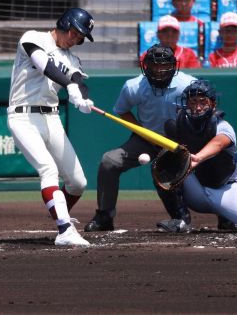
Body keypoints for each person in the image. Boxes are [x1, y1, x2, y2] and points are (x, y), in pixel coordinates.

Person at [84, 43, 196, 232]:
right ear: (146, 66)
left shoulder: (188, 85)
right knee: (109, 161)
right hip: (147, 139)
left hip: (180, 142)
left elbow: (200, 111)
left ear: (173, 65)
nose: (159, 71)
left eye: (164, 65)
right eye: (154, 65)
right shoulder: (134, 86)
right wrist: (143, 132)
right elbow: (122, 111)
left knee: (213, 162)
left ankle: (220, 216)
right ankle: (104, 215)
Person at [7, 8, 95, 246]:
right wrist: (70, 86)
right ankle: (65, 229)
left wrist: (83, 98)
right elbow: (45, 64)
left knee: (78, 182)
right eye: (76, 33)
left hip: (51, 118)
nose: (77, 40)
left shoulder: (73, 59)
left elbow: (78, 82)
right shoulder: (33, 37)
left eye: (81, 38)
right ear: (65, 23)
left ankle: (59, 212)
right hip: (23, 116)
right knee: (48, 169)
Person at [156, 80, 237, 233]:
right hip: (196, 189)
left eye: (203, 102)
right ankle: (181, 220)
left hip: (226, 188)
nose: (197, 107)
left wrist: (198, 157)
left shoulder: (222, 126)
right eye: (193, 102)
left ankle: (227, 218)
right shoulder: (177, 125)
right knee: (161, 167)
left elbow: (218, 143)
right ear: (186, 104)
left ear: (212, 104)